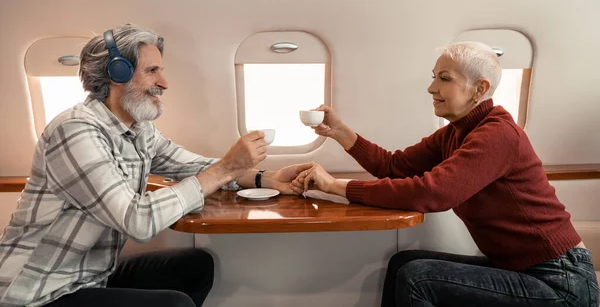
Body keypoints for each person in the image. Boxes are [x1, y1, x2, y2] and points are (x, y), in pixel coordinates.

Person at [0, 24, 312, 307]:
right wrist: (226, 169)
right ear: (117, 73)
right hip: (37, 292)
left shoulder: (138, 128)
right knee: (172, 305)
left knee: (195, 266)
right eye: (152, 71)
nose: (164, 83)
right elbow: (137, 220)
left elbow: (192, 165)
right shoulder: (74, 131)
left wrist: (267, 178)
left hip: (90, 276)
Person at [292, 41, 599, 307]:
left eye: (444, 79)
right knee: (404, 264)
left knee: (418, 278)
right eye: (433, 77)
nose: (431, 88)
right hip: (521, 268)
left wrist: (336, 186)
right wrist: (340, 132)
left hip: (562, 281)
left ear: (480, 89)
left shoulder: (498, 133)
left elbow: (433, 193)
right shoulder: (455, 133)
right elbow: (393, 167)